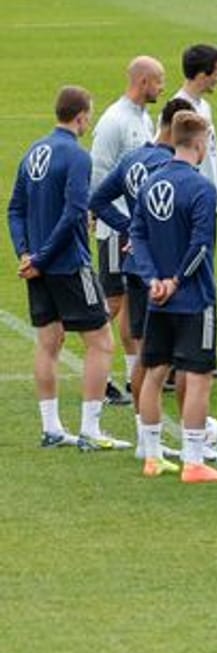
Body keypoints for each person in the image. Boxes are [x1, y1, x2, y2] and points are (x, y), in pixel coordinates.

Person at [9, 86, 129, 453]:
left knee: (49, 343)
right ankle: (91, 430)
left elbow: (15, 208)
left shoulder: (34, 151)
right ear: (80, 116)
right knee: (102, 342)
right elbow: (76, 211)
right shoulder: (76, 156)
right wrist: (43, 257)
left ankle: (52, 429)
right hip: (68, 264)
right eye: (88, 116)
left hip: (39, 266)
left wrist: (26, 255)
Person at [90, 97, 196, 457]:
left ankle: (144, 436)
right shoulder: (171, 165)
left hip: (137, 267)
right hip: (164, 270)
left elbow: (99, 200)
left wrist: (131, 232)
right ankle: (187, 443)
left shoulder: (132, 159)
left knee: (142, 354)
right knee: (176, 359)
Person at [129, 112, 217, 481]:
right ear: (199, 145)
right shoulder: (202, 189)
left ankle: (153, 457)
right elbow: (201, 245)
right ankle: (194, 461)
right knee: (199, 376)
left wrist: (153, 278)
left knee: (154, 372)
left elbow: (136, 235)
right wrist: (175, 280)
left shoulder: (151, 183)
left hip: (157, 297)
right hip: (194, 299)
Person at [91, 55, 164, 405]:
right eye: (159, 80)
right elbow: (99, 173)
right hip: (116, 226)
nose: (162, 87)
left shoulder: (142, 117)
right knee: (114, 300)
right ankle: (99, 373)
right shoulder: (114, 120)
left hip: (134, 227)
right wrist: (99, 216)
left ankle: (134, 371)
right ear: (143, 82)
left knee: (132, 301)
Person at [173, 44, 217, 207]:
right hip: (192, 200)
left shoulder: (204, 106)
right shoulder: (178, 110)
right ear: (203, 76)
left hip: (207, 198)